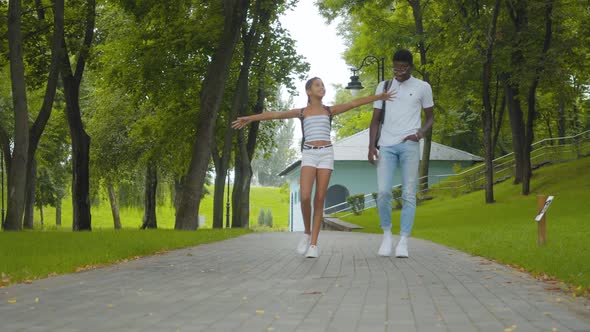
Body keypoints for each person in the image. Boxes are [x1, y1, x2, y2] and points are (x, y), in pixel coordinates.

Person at [233, 77, 395, 258]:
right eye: (317, 85)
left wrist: (379, 96)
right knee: (304, 196)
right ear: (308, 91)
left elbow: (354, 103)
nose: (322, 87)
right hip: (309, 154)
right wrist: (250, 118)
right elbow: (275, 114)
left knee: (319, 198)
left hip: (326, 154)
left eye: (323, 85)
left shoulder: (329, 111)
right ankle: (307, 232)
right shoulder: (302, 112)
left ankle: (313, 245)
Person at [368, 49, 434, 258]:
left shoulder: (423, 87)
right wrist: (371, 147)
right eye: (396, 67)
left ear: (411, 67)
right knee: (384, 192)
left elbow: (431, 117)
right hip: (386, 145)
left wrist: (420, 134)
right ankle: (387, 235)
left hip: (409, 145)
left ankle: (404, 240)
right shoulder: (384, 86)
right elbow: (375, 119)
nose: (399, 71)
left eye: (403, 67)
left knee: (408, 193)